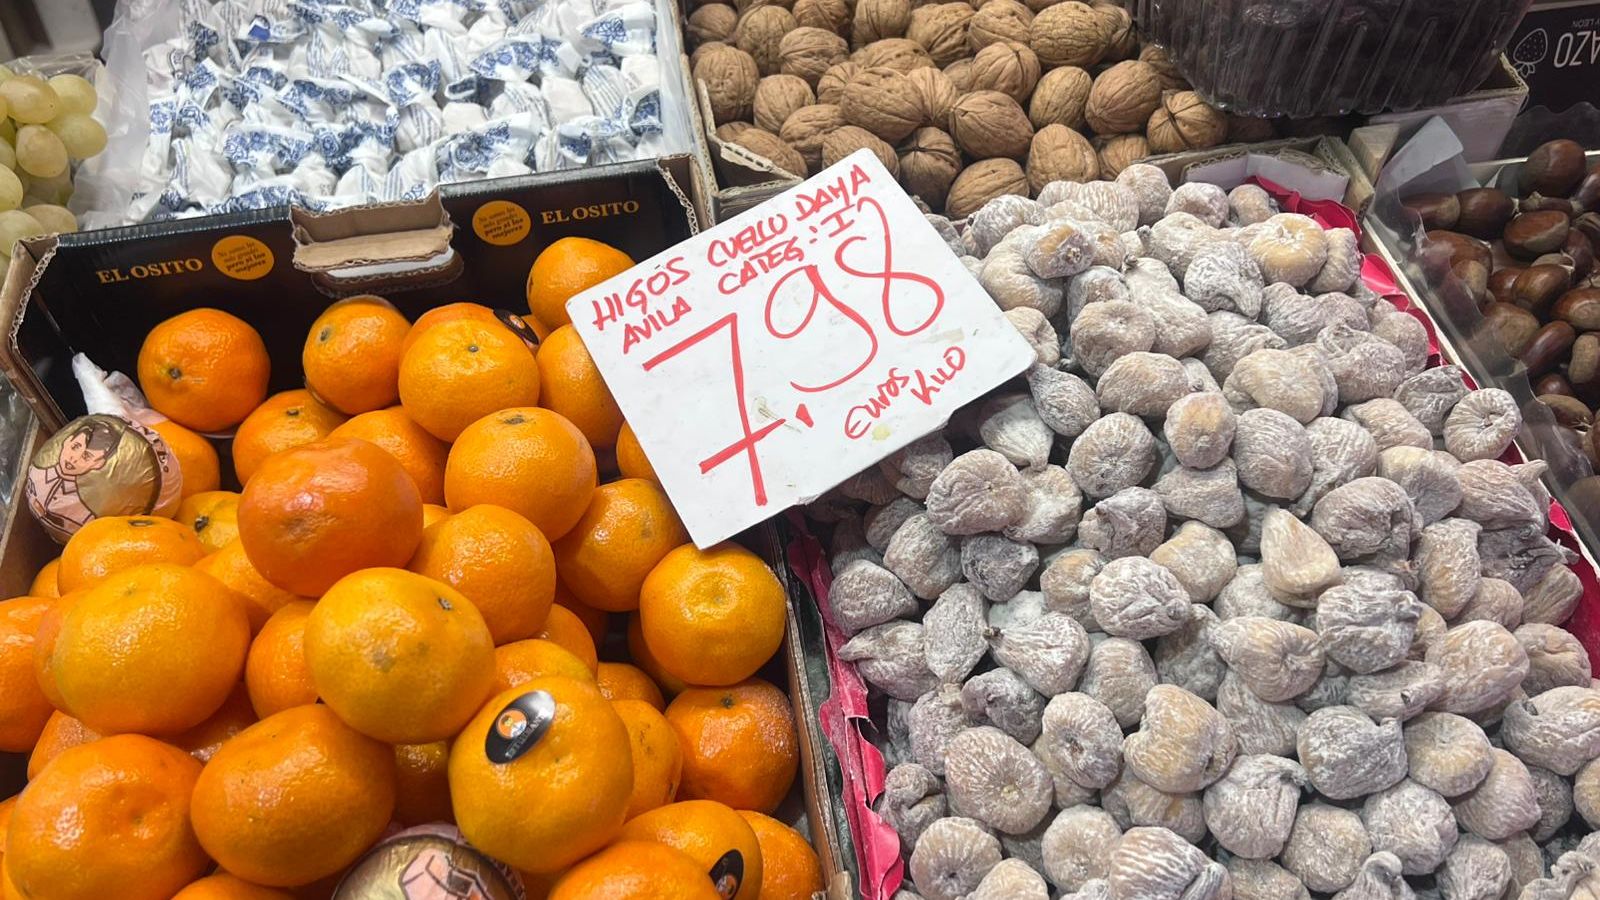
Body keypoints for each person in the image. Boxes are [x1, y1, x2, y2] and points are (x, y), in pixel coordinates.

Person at [28, 418, 120, 534]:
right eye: (75, 447)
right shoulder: (37, 473)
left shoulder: (88, 514)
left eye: (86, 456)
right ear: (67, 441)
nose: (74, 458)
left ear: (98, 464)